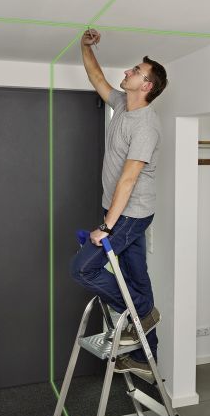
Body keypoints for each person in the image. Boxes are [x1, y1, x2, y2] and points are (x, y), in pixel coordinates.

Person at [71, 28, 167, 381]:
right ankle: (145, 356)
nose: (127, 71)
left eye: (135, 71)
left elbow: (128, 179)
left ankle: (139, 313)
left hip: (130, 214)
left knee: (82, 269)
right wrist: (84, 46)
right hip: (119, 210)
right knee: (137, 279)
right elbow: (96, 78)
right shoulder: (123, 105)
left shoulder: (146, 127)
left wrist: (106, 227)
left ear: (147, 86)